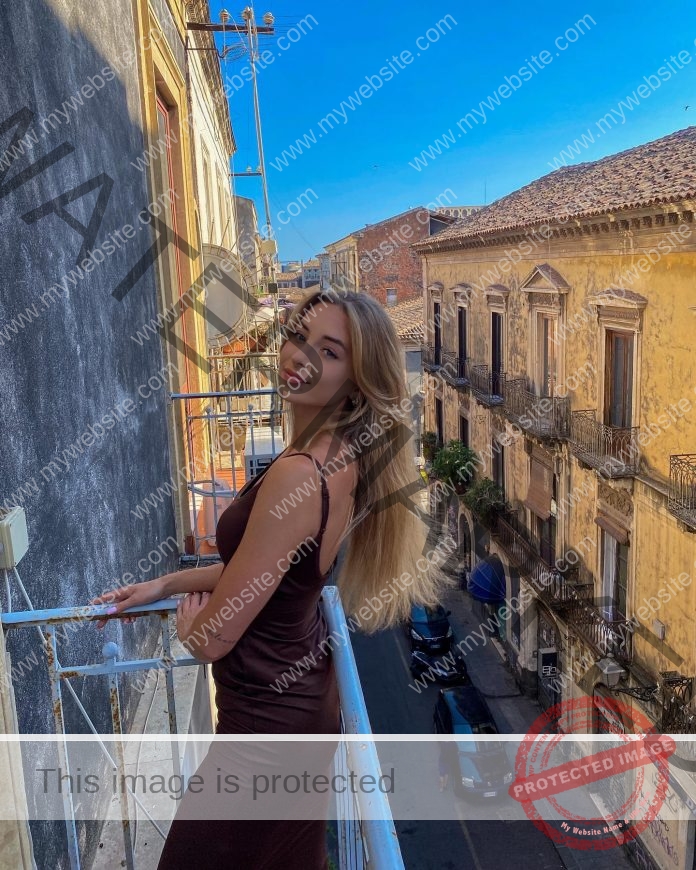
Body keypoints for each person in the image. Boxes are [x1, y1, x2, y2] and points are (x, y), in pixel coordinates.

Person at [91, 287, 450, 869]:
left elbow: (213, 638)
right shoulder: (338, 460)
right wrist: (165, 585)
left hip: (264, 728)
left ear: (357, 383)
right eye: (299, 336)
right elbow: (267, 574)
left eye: (329, 352)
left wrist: (192, 628)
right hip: (299, 708)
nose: (300, 357)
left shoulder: (299, 474)